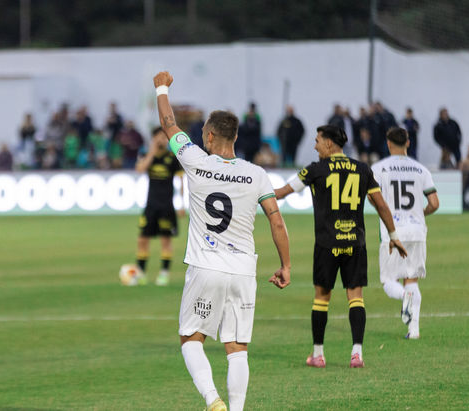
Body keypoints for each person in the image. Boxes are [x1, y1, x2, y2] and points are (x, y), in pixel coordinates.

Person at [154, 71, 291, 411]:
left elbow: (169, 126)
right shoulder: (256, 174)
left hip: (206, 266)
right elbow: (276, 220)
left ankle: (213, 400)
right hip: (243, 270)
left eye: (203, 132)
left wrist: (161, 88)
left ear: (211, 135)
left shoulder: (195, 161)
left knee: (191, 339)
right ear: (236, 136)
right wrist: (286, 265)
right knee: (237, 348)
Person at [274, 125, 407, 370]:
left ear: (329, 143)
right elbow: (381, 205)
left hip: (327, 243)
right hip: (355, 242)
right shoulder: (362, 169)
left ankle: (318, 355)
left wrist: (250, 194)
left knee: (321, 298)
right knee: (355, 297)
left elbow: (281, 193)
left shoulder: (315, 170)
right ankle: (357, 354)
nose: (315, 146)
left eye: (317, 141)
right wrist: (393, 235)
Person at [371, 127, 438, 339]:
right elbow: (434, 203)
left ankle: (404, 297)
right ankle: (414, 330)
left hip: (393, 231)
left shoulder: (379, 169)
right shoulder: (421, 170)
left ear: (388, 143)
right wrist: (419, 214)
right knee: (412, 280)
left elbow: (372, 198)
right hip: (417, 231)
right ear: (408, 143)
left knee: (389, 281)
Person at [134, 127, 184, 287]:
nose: (162, 140)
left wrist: (181, 204)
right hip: (151, 205)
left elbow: (181, 182)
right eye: (159, 137)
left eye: (164, 137)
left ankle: (164, 273)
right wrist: (152, 152)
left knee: (165, 240)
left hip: (166, 206)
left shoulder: (172, 158)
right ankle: (141, 274)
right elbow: (140, 169)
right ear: (154, 139)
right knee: (142, 239)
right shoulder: (148, 156)